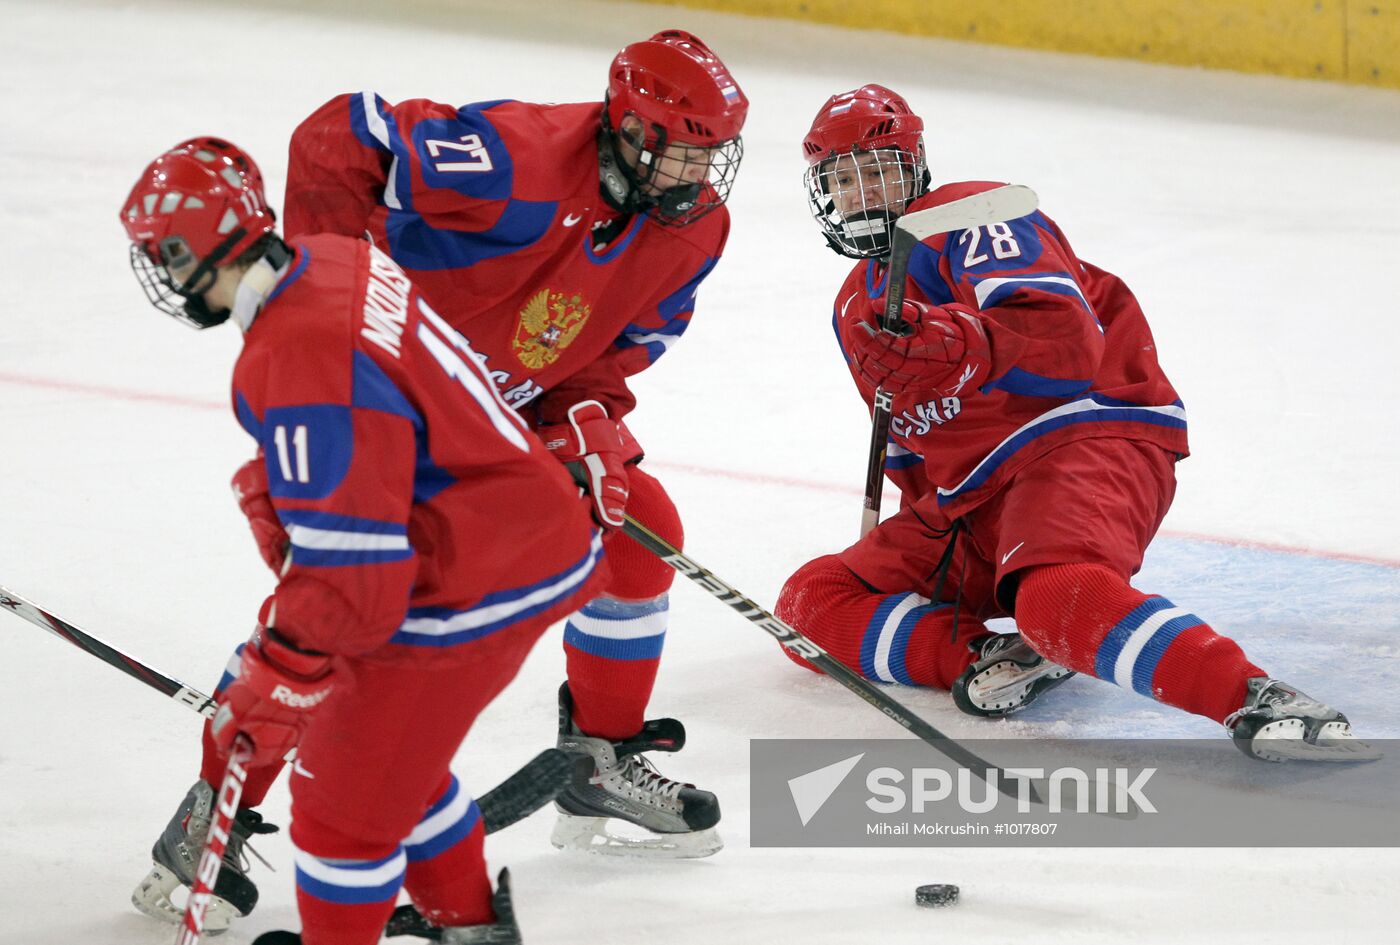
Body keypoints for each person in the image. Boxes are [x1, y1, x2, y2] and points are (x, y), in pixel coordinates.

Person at [773, 84, 1370, 762]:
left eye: (874, 169)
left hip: (1078, 434)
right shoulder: (855, 302)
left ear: (911, 166)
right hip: (973, 494)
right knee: (809, 604)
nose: (858, 192)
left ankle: (1255, 697)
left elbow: (1066, 348)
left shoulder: (968, 215)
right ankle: (988, 654)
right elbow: (912, 443)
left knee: (1053, 598)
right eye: (840, 179)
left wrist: (961, 341)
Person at [271, 27, 745, 858]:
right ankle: (239, 779)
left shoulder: (693, 232)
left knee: (641, 542)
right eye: (684, 155)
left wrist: (582, 428)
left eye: (715, 157)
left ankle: (601, 761)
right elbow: (338, 135)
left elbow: (604, 353)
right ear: (632, 132)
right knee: (368, 590)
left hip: (501, 415)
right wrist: (330, 306)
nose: (701, 178)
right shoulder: (516, 160)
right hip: (389, 395)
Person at [121, 137, 607, 944]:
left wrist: (278, 675)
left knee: (339, 812)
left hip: (469, 575)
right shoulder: (331, 260)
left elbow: (360, 588)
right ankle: (471, 928)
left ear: (188, 252)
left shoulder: (302, 355)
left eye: (162, 257)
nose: (163, 279)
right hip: (508, 530)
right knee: (392, 770)